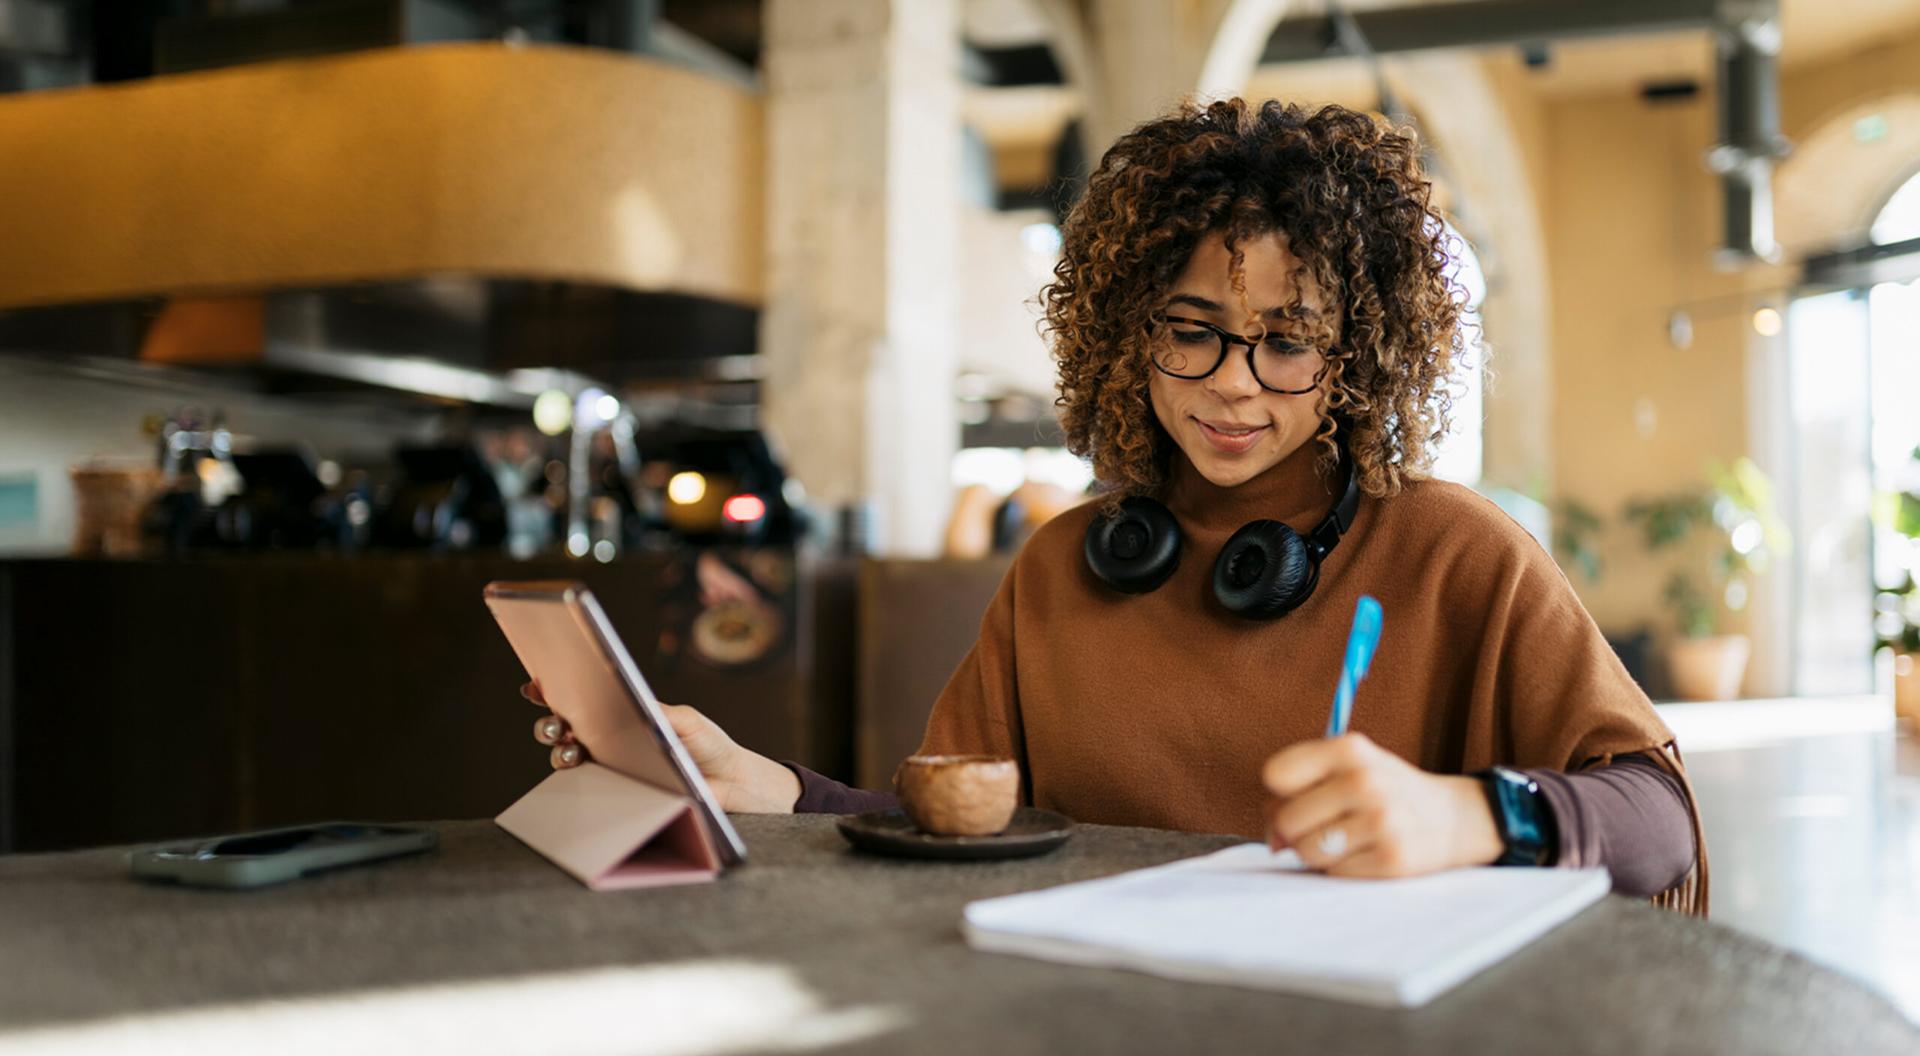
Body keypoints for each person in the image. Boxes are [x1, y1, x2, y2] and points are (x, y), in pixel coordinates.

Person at [528, 99, 1705, 911]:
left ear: (1358, 356)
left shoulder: (1457, 552)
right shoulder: (1059, 569)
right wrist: (773, 790)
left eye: (1289, 342)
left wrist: (1475, 818)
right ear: (1126, 338)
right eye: (1192, 332)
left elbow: (1660, 821)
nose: (1234, 382)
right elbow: (959, 824)